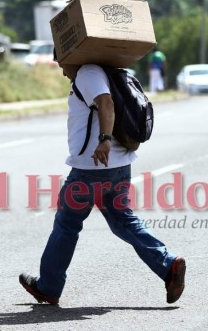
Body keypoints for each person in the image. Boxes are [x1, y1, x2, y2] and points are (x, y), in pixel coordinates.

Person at [19, 61, 186, 305]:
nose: (63, 71)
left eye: (62, 64)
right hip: (118, 167)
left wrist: (105, 140)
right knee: (123, 221)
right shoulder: (108, 71)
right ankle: (168, 266)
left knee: (67, 223)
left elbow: (106, 102)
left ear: (71, 56)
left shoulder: (88, 72)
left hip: (92, 168)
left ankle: (49, 286)